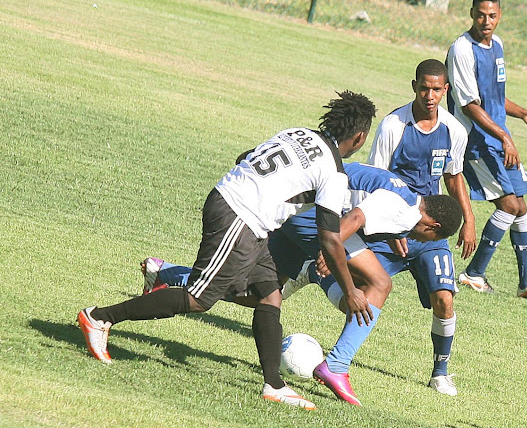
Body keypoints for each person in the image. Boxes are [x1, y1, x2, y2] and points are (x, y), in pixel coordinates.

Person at [76, 90, 377, 411]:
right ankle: (100, 318)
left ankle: (274, 385)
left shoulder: (299, 134)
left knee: (269, 293)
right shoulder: (334, 172)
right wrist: (351, 291)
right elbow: (330, 239)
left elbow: (244, 157)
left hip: (244, 213)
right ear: (359, 138)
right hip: (239, 215)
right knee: (199, 298)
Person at [142, 162, 464, 406]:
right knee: (380, 284)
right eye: (428, 237)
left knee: (262, 294)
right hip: (313, 218)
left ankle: (165, 273)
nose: (416, 239)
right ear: (432, 226)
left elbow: (360, 199)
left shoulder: (405, 195)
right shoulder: (406, 211)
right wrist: (329, 249)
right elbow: (351, 220)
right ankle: (336, 365)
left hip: (293, 210)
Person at [361, 58, 475, 397]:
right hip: (391, 228)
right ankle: (303, 273)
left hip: (431, 231)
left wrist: (468, 220)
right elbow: (375, 179)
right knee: (353, 283)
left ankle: (440, 373)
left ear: (446, 90)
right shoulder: (394, 125)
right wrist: (394, 230)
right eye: (424, 88)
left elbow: (454, 177)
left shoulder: (455, 130)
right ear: (414, 86)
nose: (429, 95)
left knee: (445, 298)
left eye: (436, 89)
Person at [446, 0, 527, 304]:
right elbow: (470, 106)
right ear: (471, 14)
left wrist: (522, 114)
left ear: (499, 16)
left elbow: (495, 97)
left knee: (520, 206)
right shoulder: (461, 50)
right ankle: (473, 274)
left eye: (492, 15)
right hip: (474, 140)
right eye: (481, 15)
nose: (486, 21)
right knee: (509, 206)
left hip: (497, 136)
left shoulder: (498, 46)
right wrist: (505, 138)